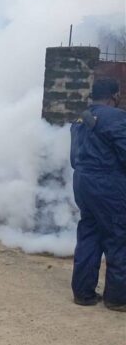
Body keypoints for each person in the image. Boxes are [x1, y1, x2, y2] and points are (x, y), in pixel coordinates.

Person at [69, 77, 126, 311]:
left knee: (89, 234)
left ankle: (83, 294)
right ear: (115, 95)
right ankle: (117, 298)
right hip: (109, 186)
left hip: (82, 183)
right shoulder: (118, 118)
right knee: (118, 237)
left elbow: (74, 158)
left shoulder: (80, 118)